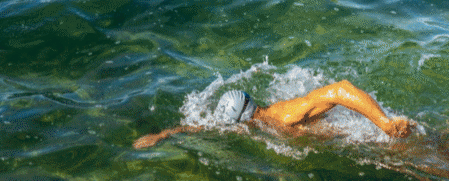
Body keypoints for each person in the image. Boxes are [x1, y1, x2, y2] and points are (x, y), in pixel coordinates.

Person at [132, 80, 413, 149]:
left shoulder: (284, 116)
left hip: (372, 139)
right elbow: (208, 127)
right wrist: (164, 134)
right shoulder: (261, 117)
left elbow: (340, 90)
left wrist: (384, 124)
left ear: (243, 121)